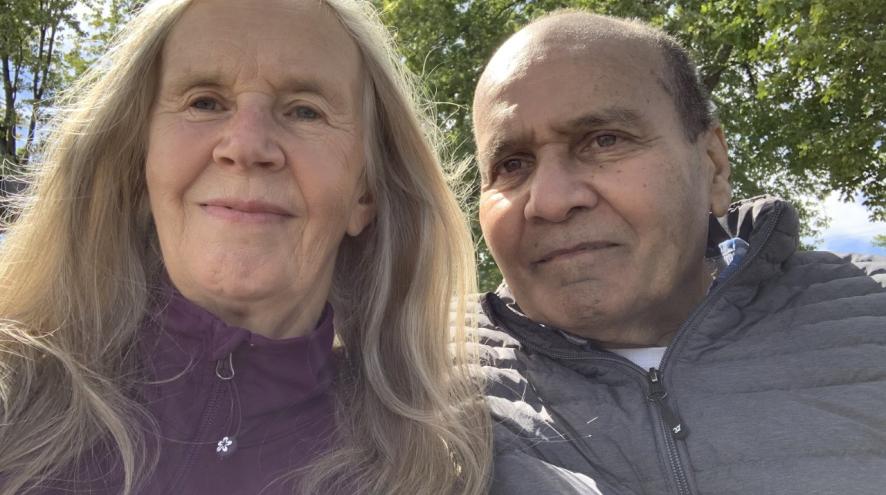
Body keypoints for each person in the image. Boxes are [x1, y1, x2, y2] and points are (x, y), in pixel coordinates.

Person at [0, 0, 491, 494]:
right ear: (139, 165)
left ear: (365, 193)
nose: (247, 146)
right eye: (205, 102)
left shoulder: (436, 467)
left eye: (305, 110)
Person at [471, 10, 886, 495]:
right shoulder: (404, 384)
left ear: (713, 166)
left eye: (604, 140)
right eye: (512, 164)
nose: (551, 201)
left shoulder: (872, 310)